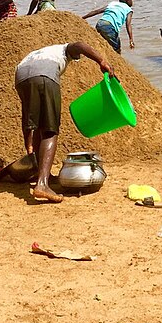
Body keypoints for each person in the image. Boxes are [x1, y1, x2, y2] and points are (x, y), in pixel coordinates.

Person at [15, 41, 114, 202]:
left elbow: (28, 122)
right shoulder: (63, 49)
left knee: (39, 124)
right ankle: (42, 184)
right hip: (45, 75)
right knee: (50, 131)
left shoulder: (35, 54)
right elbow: (80, 45)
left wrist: (29, 147)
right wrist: (101, 61)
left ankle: (41, 173)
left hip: (21, 77)